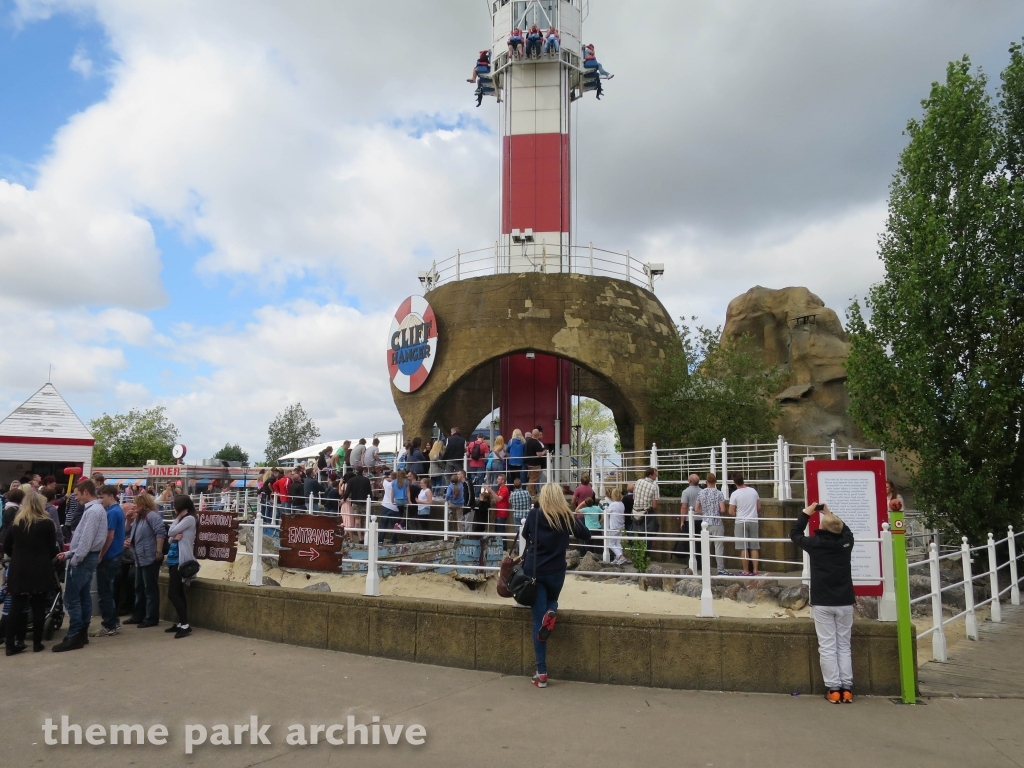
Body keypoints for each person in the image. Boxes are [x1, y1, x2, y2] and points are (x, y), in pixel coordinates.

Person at [522, 484, 593, 688]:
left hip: (535, 571)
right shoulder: (566, 516)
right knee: (552, 600)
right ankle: (551, 612)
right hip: (556, 570)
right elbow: (586, 535)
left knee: (537, 619)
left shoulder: (535, 514)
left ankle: (542, 673)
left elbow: (526, 535)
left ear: (543, 496)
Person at [791, 504, 856, 703]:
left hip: (823, 601)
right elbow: (846, 530)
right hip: (844, 600)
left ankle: (834, 689)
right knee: (844, 645)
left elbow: (794, 533)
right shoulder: (846, 543)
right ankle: (847, 689)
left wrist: (807, 512)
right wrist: (829, 514)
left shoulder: (814, 544)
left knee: (827, 645)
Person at [52, 480, 107, 651]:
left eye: (77, 494)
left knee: (72, 598)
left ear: (85, 492)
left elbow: (86, 540)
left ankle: (75, 633)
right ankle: (81, 632)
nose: (75, 498)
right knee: (83, 596)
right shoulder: (95, 510)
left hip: (83, 558)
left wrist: (75, 558)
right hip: (85, 556)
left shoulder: (93, 511)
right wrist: (70, 554)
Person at [3, 492, 59, 654]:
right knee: (38, 606)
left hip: (19, 568)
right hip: (40, 568)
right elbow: (52, 548)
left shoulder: (17, 522)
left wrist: (16, 556)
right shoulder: (47, 523)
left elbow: (6, 545)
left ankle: (10, 645)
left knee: (16, 605)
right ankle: (36, 643)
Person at [124, 492, 165, 629]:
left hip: (149, 557)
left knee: (150, 588)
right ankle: (138, 615)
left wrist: (158, 551)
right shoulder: (139, 518)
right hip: (140, 557)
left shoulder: (152, 516)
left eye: (137, 503)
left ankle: (151, 617)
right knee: (139, 587)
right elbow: (128, 531)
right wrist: (129, 520)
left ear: (143, 504)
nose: (134, 506)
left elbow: (160, 532)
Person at [92, 485, 126, 637]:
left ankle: (109, 624)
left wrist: (100, 554)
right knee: (108, 591)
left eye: (102, 497)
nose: (100, 500)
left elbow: (109, 536)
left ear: (111, 496)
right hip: (116, 554)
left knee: (105, 592)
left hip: (109, 556)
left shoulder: (112, 512)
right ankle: (113, 621)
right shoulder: (117, 510)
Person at [165, 495, 197, 638]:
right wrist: (173, 536)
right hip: (173, 560)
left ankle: (185, 624)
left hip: (181, 561)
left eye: (175, 506)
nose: (173, 508)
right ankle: (181, 622)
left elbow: (171, 532)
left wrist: (173, 534)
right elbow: (170, 536)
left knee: (173, 593)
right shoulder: (183, 519)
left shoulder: (189, 519)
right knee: (178, 592)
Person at [728, 474, 762, 575]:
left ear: (734, 482)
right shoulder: (753, 491)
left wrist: (738, 515)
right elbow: (759, 507)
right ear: (743, 480)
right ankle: (755, 570)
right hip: (753, 520)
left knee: (743, 547)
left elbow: (730, 511)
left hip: (740, 522)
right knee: (754, 547)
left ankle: (746, 571)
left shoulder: (735, 494)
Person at [695, 473, 727, 575]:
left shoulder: (701, 493)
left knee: (705, 547)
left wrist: (704, 513)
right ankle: (720, 569)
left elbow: (696, 508)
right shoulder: (719, 493)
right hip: (717, 522)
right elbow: (722, 509)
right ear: (716, 482)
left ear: (706, 482)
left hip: (705, 522)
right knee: (718, 547)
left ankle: (705, 569)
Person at [679, 473, 702, 566]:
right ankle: (700, 562)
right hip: (701, 519)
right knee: (700, 542)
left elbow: (684, 507)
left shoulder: (686, 492)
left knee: (691, 541)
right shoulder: (702, 491)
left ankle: (692, 562)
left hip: (690, 519)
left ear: (690, 481)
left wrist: (682, 521)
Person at [632, 467, 660, 534]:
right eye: (655, 475)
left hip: (634, 512)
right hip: (646, 513)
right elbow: (655, 505)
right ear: (650, 475)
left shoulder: (638, 481)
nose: (656, 477)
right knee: (649, 534)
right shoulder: (654, 486)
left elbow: (634, 497)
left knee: (636, 534)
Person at [606, 488, 627, 565]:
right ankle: (618, 558)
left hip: (614, 526)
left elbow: (607, 512)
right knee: (618, 543)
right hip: (621, 526)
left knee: (611, 543)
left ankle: (621, 557)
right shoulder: (621, 504)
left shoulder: (613, 504)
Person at [524, 428, 547, 495]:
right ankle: (531, 493)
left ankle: (532, 492)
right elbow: (539, 454)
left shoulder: (528, 442)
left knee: (531, 478)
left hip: (529, 463)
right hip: (535, 464)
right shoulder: (536, 443)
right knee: (533, 479)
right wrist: (544, 452)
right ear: (537, 435)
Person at [509, 476, 532, 544]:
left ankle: (518, 548)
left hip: (516, 515)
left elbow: (510, 502)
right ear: (521, 484)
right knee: (527, 531)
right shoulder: (526, 492)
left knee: (517, 532)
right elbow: (530, 500)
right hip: (526, 514)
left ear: (514, 486)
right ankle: (526, 546)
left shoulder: (512, 494)